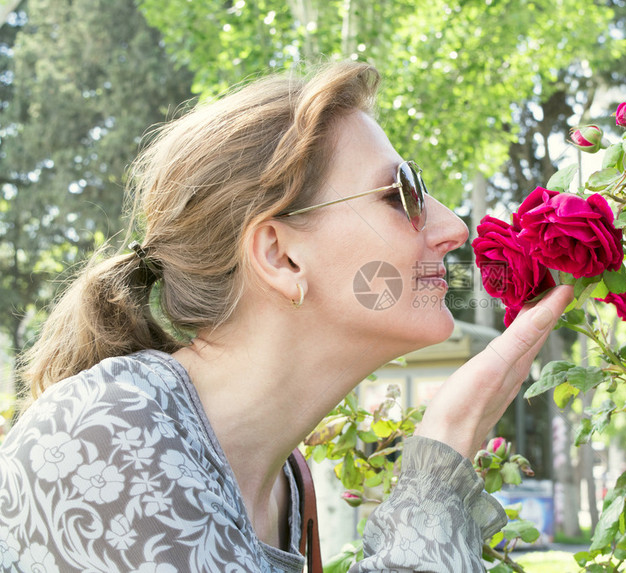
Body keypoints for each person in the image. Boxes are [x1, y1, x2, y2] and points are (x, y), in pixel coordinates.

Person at [0, 61, 573, 572]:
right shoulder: (110, 435)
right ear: (280, 255)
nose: (453, 229)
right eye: (401, 193)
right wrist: (442, 451)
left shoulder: (285, 483)